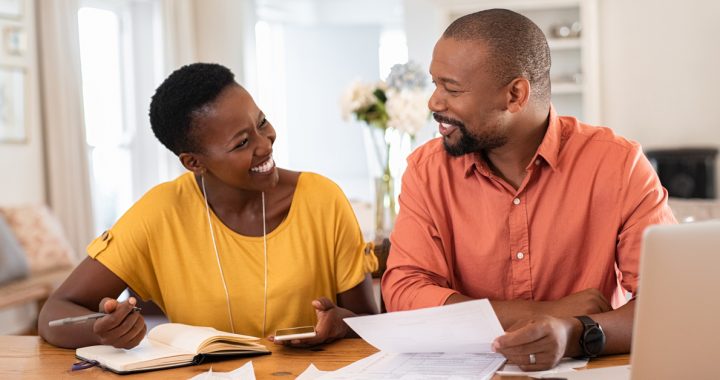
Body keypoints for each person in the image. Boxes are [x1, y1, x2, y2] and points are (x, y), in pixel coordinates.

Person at [381, 9, 676, 371]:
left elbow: (668, 303)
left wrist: (574, 332)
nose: (434, 102)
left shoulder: (618, 164)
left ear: (515, 94)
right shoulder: (427, 171)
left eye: (452, 89)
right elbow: (404, 293)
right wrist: (543, 313)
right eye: (435, 84)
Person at [39, 63, 378, 349]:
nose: (265, 144)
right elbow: (54, 313)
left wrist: (339, 325)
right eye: (242, 142)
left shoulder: (322, 198)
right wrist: (101, 331)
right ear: (193, 162)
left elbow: (367, 323)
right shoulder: (160, 213)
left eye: (261, 122)